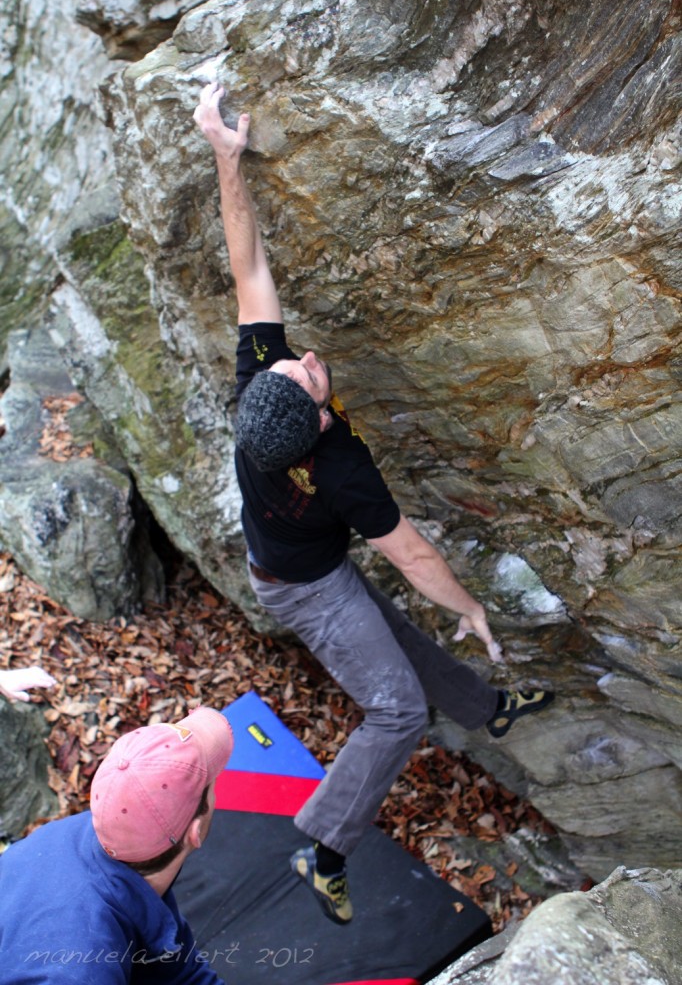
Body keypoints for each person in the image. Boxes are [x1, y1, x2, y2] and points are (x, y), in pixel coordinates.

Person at [193, 82, 554, 926]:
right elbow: (415, 556)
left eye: (297, 363)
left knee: (389, 640)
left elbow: (246, 265)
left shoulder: (260, 393)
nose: (309, 356)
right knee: (394, 707)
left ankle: (488, 707)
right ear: (317, 422)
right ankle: (323, 843)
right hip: (298, 586)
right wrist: (471, 611)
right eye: (311, 373)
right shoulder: (342, 468)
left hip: (305, 558)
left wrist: (225, 156)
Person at [0, 706, 234, 983]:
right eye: (213, 784)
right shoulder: (83, 971)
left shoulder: (83, 832)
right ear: (194, 832)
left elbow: (178, 969)